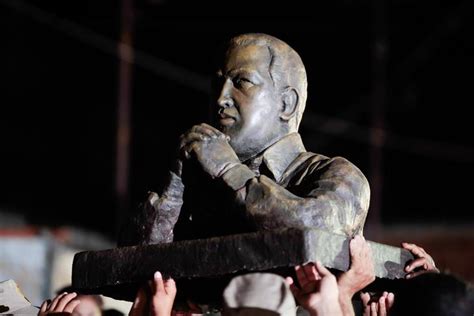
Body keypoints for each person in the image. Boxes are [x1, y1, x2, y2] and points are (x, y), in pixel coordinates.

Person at [119, 33, 370, 246]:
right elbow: (132, 264)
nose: (221, 99)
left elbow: (311, 230)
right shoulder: (203, 183)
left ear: (286, 103)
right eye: (218, 84)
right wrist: (174, 185)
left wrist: (231, 171)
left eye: (242, 82)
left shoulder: (337, 175)